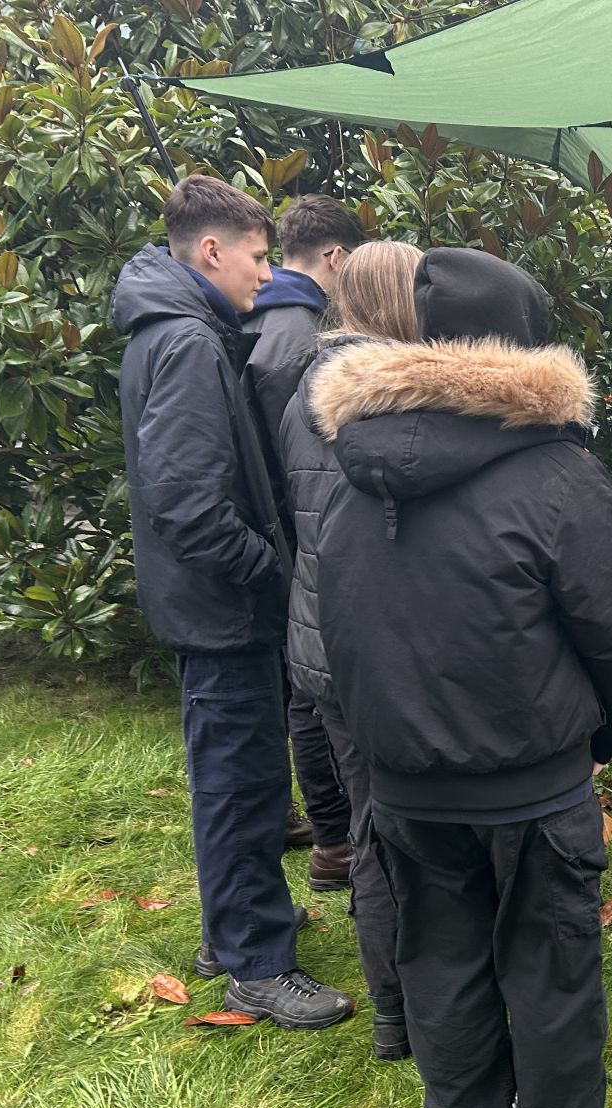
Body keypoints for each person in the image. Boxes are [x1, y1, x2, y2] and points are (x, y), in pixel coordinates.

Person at [311, 247, 612, 1108]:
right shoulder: (558, 475)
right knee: (547, 960)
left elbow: (337, 629)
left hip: (404, 780)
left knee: (441, 958)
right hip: (529, 776)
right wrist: (611, 735)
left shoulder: (350, 475)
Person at [112, 174, 352, 1030]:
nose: (263, 275)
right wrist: (273, 573)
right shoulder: (187, 344)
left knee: (232, 774)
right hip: (223, 611)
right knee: (243, 782)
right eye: (256, 257)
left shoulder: (180, 329)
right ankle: (256, 961)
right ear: (212, 250)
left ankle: (231, 931)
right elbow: (188, 506)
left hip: (211, 606)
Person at [278, 239, 421, 1060]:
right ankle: (406, 1008)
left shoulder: (308, 383)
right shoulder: (377, 392)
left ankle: (394, 1013)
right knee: (397, 832)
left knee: (369, 825)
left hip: (318, 634)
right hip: (367, 641)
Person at [242, 194, 370, 891]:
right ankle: (336, 839)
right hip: (304, 528)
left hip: (293, 527)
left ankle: (330, 832)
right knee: (315, 691)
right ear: (336, 257)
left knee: (307, 684)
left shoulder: (271, 315)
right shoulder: (295, 335)